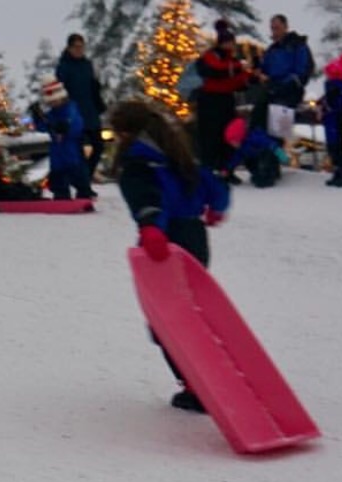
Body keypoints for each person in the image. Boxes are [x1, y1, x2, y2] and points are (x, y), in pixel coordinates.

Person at [110, 100, 230, 414]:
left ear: (124, 132)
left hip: (164, 241)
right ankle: (208, 375)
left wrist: (151, 227)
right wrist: (216, 207)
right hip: (195, 237)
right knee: (189, 309)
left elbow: (148, 198)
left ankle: (195, 385)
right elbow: (210, 181)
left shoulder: (137, 160)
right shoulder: (175, 148)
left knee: (166, 318)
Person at [194, 20, 253, 180]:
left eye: (231, 42)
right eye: (227, 42)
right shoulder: (210, 57)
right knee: (210, 136)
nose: (230, 46)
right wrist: (238, 73)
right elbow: (216, 71)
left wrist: (250, 78)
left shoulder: (232, 61)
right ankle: (208, 170)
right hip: (209, 101)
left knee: (229, 135)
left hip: (226, 100)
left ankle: (226, 169)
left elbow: (239, 81)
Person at [31, 76, 95, 200]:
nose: (53, 103)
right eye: (51, 102)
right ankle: (61, 195)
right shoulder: (52, 114)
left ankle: (84, 193)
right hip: (57, 152)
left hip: (71, 152)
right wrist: (37, 117)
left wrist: (65, 128)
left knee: (77, 174)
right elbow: (43, 127)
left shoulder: (71, 109)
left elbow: (77, 124)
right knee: (58, 177)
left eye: (55, 101)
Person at [254, 14, 315, 145]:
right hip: (271, 90)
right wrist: (259, 71)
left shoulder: (297, 45)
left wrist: (289, 83)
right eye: (272, 28)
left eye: (277, 28)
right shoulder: (272, 49)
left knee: (279, 129)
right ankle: (261, 158)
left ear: (285, 27)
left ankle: (275, 158)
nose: (274, 32)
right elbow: (265, 68)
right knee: (259, 122)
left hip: (289, 92)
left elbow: (303, 70)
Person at [55, 33, 107, 180]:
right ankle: (82, 183)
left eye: (81, 47)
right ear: (69, 48)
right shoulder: (63, 67)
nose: (79, 50)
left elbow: (93, 87)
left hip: (91, 114)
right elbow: (60, 92)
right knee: (80, 150)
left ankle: (85, 178)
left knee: (98, 147)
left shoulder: (87, 65)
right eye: (76, 47)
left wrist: (99, 101)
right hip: (74, 115)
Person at [319, 54, 342, 187]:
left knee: (337, 148)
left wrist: (325, 108)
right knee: (334, 148)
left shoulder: (335, 88)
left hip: (334, 122)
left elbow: (335, 105)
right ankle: (339, 171)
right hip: (333, 123)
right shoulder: (335, 88)